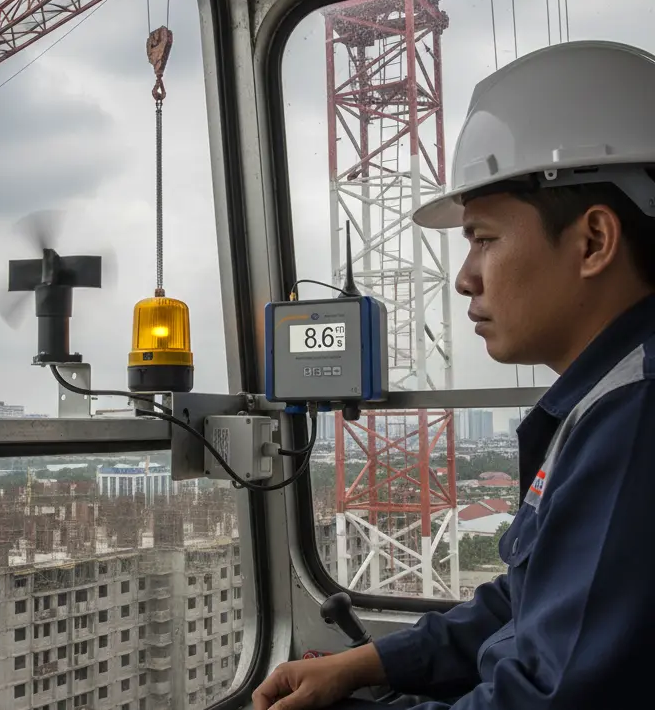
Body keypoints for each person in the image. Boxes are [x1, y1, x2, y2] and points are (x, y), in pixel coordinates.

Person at [253, 40, 655, 710]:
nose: (467, 277)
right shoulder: (603, 399)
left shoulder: (635, 419)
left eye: (484, 238)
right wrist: (363, 663)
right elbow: (525, 603)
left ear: (593, 241)